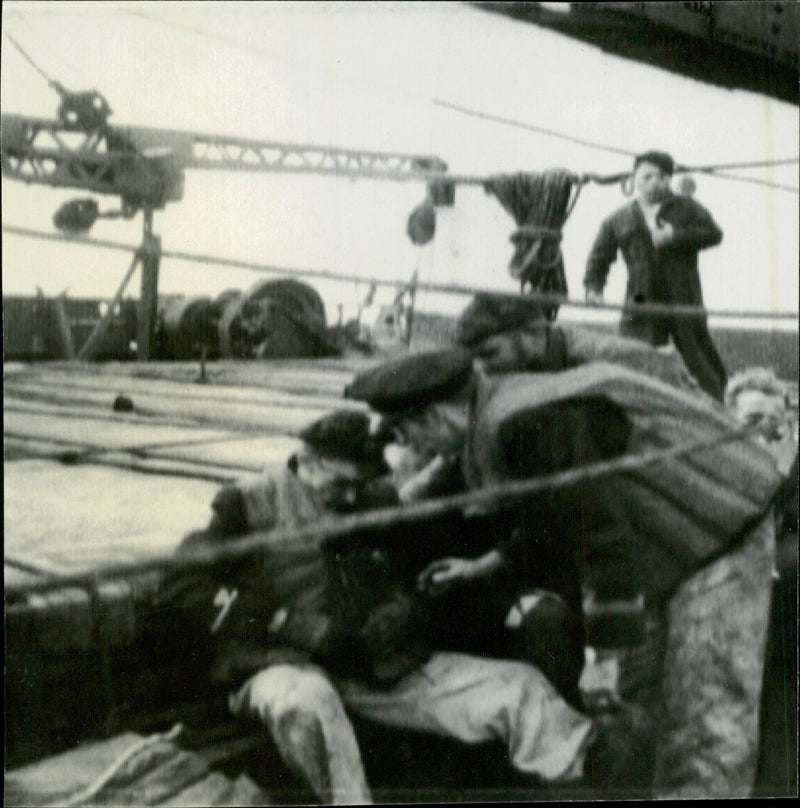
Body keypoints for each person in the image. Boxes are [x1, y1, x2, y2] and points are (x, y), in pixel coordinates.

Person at [160, 410, 593, 804]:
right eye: (341, 483)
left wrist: (408, 610)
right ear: (307, 460)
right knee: (310, 704)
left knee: (520, 690)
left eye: (359, 485)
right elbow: (182, 581)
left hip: (367, 664)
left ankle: (575, 785)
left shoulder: (370, 499)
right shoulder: (249, 501)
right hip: (282, 666)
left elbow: (416, 574)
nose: (350, 497)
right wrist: (285, 621)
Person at [463, 361, 781, 798]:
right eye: (749, 420)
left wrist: (605, 657)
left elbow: (599, 535)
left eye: (772, 423)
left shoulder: (528, 420)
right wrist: (491, 563)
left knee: (703, 728)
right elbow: (562, 517)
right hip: (660, 567)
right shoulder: (529, 419)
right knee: (636, 717)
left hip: (713, 558)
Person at [583, 150, 728, 401]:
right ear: (634, 178)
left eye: (661, 177)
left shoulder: (687, 207)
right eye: (647, 176)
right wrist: (593, 288)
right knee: (636, 356)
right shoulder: (618, 218)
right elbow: (599, 257)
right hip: (640, 297)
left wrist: (676, 236)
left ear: (669, 179)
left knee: (699, 358)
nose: (654, 182)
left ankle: (722, 410)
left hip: (684, 296)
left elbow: (714, 233)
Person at [725, 368, 798, 796]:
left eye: (776, 424)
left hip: (780, 630)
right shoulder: (710, 480)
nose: (766, 435)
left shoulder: (793, 480)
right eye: (753, 422)